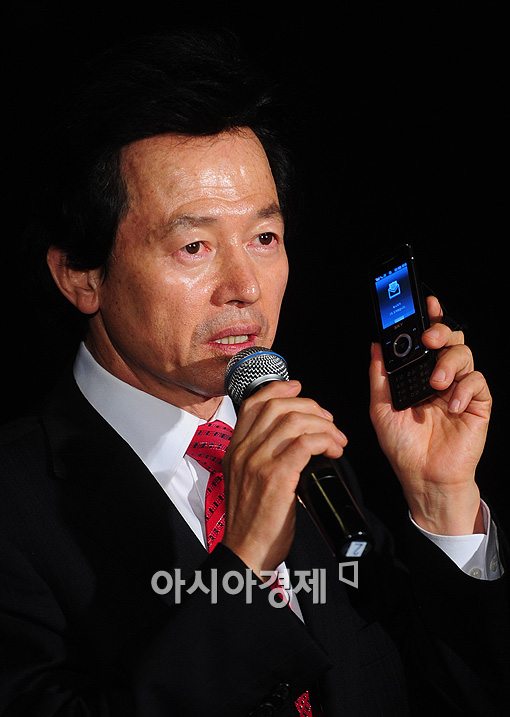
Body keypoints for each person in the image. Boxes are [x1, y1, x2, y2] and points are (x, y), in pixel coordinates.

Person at [0, 27, 508, 717]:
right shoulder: (16, 505)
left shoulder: (314, 462)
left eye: (265, 237)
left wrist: (441, 499)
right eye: (194, 245)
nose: (244, 287)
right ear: (80, 276)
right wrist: (242, 569)